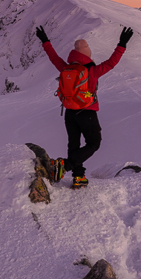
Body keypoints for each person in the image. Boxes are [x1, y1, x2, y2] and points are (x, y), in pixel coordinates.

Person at [35, 25, 133, 189]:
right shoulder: (92, 71)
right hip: (87, 111)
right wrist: (122, 44)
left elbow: (53, 58)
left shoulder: (66, 67)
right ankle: (64, 166)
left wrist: (45, 41)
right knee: (94, 143)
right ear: (88, 54)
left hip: (69, 111)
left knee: (73, 144)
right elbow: (111, 63)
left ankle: (78, 177)